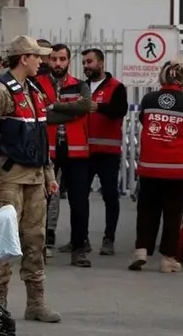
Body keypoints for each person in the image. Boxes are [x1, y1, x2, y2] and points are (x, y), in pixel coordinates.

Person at [0, 35, 60, 324]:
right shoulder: (0, 91)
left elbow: (40, 137)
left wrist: (48, 174)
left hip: (35, 178)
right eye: (37, 56)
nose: (42, 61)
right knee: (4, 243)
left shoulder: (34, 90)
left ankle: (36, 304)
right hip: (8, 180)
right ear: (24, 58)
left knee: (35, 240)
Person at [129, 61, 183, 273]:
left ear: (162, 78)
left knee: (146, 209)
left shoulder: (149, 99)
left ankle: (141, 251)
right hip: (177, 168)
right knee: (173, 212)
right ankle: (168, 258)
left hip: (150, 165)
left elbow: (143, 121)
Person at [64, 48, 128, 265]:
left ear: (101, 63)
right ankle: (80, 240)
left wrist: (98, 107)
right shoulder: (80, 87)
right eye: (84, 62)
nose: (86, 66)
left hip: (107, 153)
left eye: (90, 62)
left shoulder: (116, 87)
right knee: (78, 197)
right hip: (83, 151)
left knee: (110, 196)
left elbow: (120, 110)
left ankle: (109, 239)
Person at [35, 43, 91, 259]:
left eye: (62, 59)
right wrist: (71, 112)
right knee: (42, 200)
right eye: (54, 59)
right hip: (48, 149)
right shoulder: (37, 84)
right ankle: (40, 247)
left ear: (68, 61)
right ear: (48, 60)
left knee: (79, 201)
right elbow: (41, 115)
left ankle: (79, 248)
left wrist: (54, 106)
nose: (58, 63)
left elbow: (85, 107)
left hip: (76, 150)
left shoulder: (79, 85)